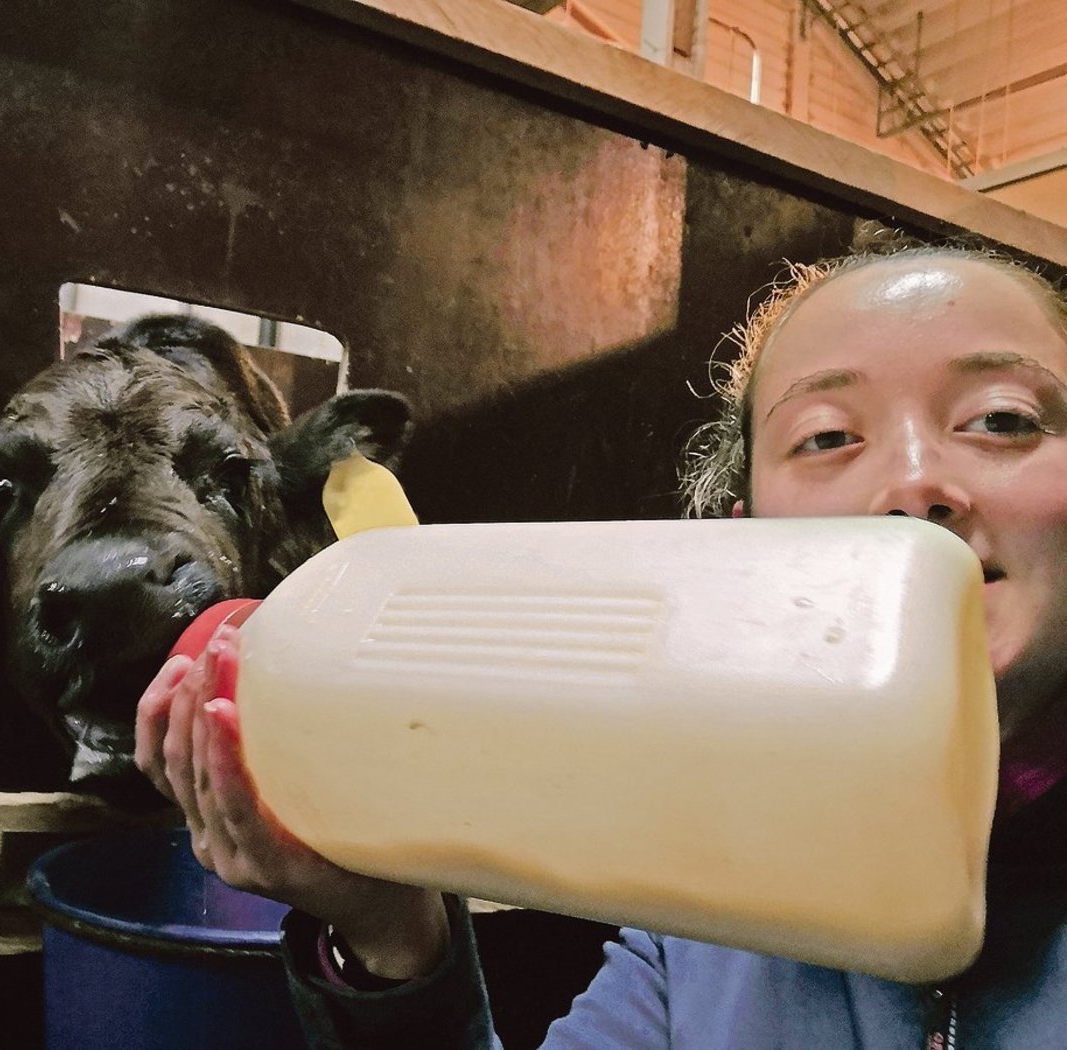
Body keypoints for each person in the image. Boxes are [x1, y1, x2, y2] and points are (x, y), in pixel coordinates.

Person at [134, 240, 1067, 1047]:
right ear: (745, 546)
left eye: (1001, 420)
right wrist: (390, 930)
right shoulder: (708, 899)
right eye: (827, 437)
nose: (913, 483)